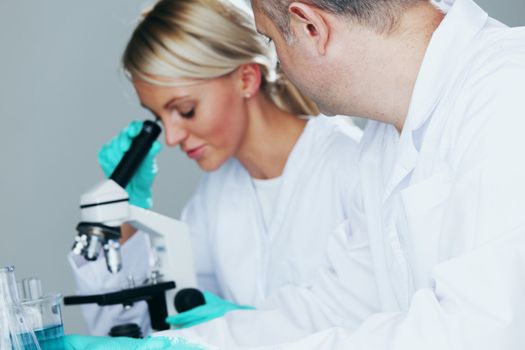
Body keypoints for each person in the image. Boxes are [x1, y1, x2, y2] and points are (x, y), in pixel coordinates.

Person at [147, 0, 525, 348]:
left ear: (311, 26)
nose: (277, 65)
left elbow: (482, 331)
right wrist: (192, 344)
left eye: (272, 39)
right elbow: (335, 305)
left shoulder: (507, 88)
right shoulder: (383, 140)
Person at [67, 0, 368, 341]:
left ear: (246, 79)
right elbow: (147, 329)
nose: (171, 136)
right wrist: (123, 218)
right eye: (159, 117)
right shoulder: (215, 196)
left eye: (185, 109)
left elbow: (377, 323)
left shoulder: (350, 164)